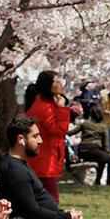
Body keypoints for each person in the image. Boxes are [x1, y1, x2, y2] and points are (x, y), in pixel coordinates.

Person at [0, 116, 82, 219]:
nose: (40, 141)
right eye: (35, 136)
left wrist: (62, 213)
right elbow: (32, 212)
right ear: (21, 140)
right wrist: (67, 217)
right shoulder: (15, 171)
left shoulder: (18, 165)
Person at [24, 71, 72, 204]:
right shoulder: (44, 108)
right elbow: (59, 130)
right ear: (48, 86)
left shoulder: (46, 104)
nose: (60, 84)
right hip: (44, 160)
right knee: (50, 199)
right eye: (56, 81)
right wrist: (62, 109)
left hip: (47, 157)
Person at [69, 106, 110, 187]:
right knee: (109, 159)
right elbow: (105, 145)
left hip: (82, 151)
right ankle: (107, 182)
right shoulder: (102, 127)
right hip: (94, 149)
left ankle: (98, 181)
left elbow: (72, 132)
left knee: (102, 158)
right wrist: (108, 153)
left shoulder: (85, 123)